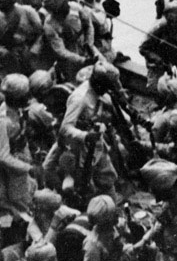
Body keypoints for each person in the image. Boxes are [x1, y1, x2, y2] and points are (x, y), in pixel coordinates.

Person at [43, 61, 120, 196]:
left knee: (107, 178)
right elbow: (65, 128)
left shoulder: (100, 94)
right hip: (75, 144)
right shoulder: (80, 98)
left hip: (94, 141)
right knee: (51, 169)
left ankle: (109, 205)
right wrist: (85, 136)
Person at [0, 74, 36, 208]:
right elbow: (2, 156)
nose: (29, 98)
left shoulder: (16, 110)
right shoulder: (3, 122)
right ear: (16, 98)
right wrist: (29, 168)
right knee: (23, 202)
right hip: (10, 169)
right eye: (25, 95)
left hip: (20, 156)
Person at [0, 0, 45, 76]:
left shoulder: (27, 12)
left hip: (30, 54)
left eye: (2, 0)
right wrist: (3, 52)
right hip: (9, 58)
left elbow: (41, 33)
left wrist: (33, 51)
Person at [41, 0, 98, 82]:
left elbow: (88, 25)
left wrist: (89, 43)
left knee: (104, 65)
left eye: (66, 2)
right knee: (76, 80)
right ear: (56, 9)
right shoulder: (49, 25)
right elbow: (61, 51)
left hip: (85, 44)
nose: (67, 5)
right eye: (63, 4)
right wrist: (82, 60)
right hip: (70, 54)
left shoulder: (75, 7)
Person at [77, 0, 120, 64]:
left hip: (100, 47)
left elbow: (99, 21)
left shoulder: (99, 7)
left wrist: (85, 9)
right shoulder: (82, 6)